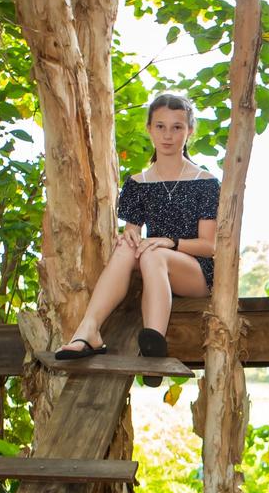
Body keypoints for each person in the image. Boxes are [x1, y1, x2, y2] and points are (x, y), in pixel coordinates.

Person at [55, 92, 220, 388]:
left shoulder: (205, 182)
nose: (168, 135)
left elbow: (210, 246)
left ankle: (153, 348)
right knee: (126, 246)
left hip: (196, 272)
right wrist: (130, 236)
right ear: (149, 129)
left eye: (177, 127)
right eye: (160, 126)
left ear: (189, 131)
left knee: (152, 252)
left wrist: (171, 242)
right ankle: (88, 330)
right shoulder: (137, 184)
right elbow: (133, 232)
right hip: (154, 266)